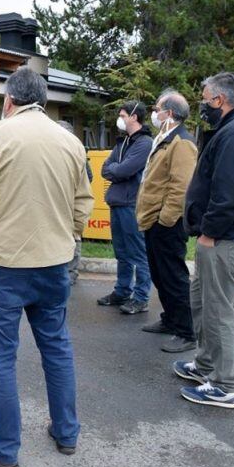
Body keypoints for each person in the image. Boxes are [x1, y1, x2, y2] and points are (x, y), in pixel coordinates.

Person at [0, 67, 94, 467]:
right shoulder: (69, 141)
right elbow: (82, 202)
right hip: (53, 263)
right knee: (57, 346)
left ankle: (2, 449)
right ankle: (66, 432)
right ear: (44, 99)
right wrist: (66, 238)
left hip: (2, 264)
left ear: (9, 100)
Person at [175, 72, 234, 409]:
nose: (201, 104)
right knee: (202, 301)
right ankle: (205, 365)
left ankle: (225, 384)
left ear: (219, 100)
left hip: (226, 239)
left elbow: (228, 195)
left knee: (217, 310)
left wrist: (209, 233)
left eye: (204, 98)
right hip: (223, 237)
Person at [136, 91, 198, 353]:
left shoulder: (181, 143)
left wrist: (165, 220)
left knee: (173, 277)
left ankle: (186, 332)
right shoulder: (166, 139)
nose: (155, 113)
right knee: (161, 275)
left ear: (170, 113)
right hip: (154, 221)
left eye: (158, 109)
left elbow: (180, 187)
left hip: (167, 224)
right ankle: (171, 319)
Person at [98, 101, 153, 314]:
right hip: (118, 202)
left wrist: (117, 170)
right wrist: (117, 169)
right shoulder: (123, 142)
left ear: (134, 117)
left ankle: (141, 297)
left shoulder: (144, 143)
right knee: (121, 252)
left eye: (122, 115)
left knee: (138, 253)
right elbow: (107, 168)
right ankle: (122, 291)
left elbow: (123, 170)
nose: (119, 119)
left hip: (132, 204)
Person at [58, 120, 93, 285]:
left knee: (75, 236)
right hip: (57, 202)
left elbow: (88, 176)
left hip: (72, 202)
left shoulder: (77, 152)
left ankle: (71, 272)